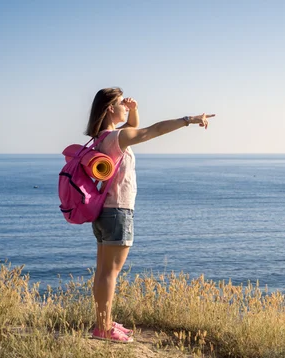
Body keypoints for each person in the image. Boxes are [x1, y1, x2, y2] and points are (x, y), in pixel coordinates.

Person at [86, 87, 214, 342]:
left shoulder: (102, 137)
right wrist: (189, 120)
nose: (126, 105)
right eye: (122, 103)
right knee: (109, 274)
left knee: (103, 271)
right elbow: (151, 131)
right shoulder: (117, 138)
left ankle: (104, 322)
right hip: (118, 211)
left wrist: (134, 111)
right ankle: (103, 328)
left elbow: (134, 126)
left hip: (104, 212)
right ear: (110, 109)